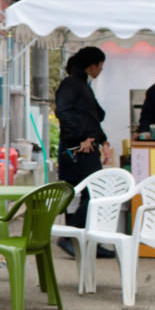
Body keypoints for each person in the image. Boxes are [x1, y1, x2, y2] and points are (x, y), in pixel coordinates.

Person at [54, 46, 113, 257]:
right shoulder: (72, 84)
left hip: (83, 146)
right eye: (100, 67)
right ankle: (71, 238)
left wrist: (102, 140)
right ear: (92, 65)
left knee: (81, 194)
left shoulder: (81, 85)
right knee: (94, 192)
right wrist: (81, 138)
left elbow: (94, 116)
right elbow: (63, 112)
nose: (101, 71)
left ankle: (84, 242)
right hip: (77, 148)